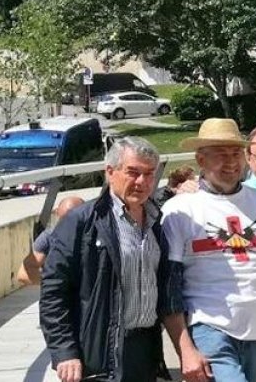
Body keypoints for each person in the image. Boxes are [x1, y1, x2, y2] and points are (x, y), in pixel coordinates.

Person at [161, 117, 256, 382]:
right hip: (209, 328)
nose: (231, 162)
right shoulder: (180, 210)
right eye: (220, 155)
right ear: (200, 160)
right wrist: (185, 349)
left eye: (236, 153)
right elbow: (170, 285)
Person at [40, 138, 168, 382]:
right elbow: (54, 291)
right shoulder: (82, 221)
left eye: (149, 174)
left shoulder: (157, 220)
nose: (142, 182)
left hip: (145, 351)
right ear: (110, 172)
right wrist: (64, 351)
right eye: (133, 172)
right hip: (100, 354)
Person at [18, 195, 85, 287]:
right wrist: (55, 283)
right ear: (57, 214)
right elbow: (24, 274)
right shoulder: (49, 237)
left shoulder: (99, 234)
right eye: (64, 221)